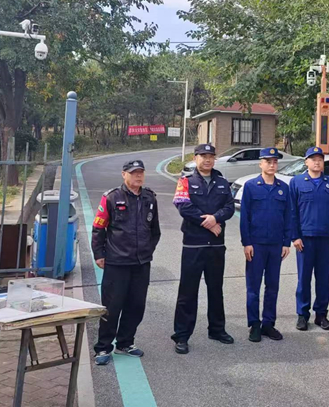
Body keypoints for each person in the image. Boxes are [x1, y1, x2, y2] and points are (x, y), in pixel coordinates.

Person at [91, 159, 160, 365]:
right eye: (133, 173)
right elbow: (98, 228)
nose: (138, 176)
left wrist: (147, 250)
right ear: (124, 175)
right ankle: (103, 347)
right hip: (117, 262)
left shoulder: (149, 198)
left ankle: (125, 342)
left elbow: (155, 231)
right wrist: (99, 254)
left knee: (136, 305)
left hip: (141, 263)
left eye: (141, 172)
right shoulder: (112, 198)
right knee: (112, 306)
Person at [171, 144, 235, 355]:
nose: (207, 160)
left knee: (216, 290)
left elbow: (229, 207)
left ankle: (217, 330)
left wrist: (216, 218)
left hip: (216, 245)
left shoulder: (223, 182)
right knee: (187, 292)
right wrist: (208, 223)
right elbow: (183, 206)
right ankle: (181, 336)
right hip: (194, 244)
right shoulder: (186, 181)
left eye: (211, 156)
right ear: (195, 158)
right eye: (203, 156)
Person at [239, 147, 293, 342]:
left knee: (273, 286)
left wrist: (286, 242)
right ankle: (254, 324)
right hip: (256, 245)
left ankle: (268, 323)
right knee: (253, 287)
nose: (272, 165)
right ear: (260, 164)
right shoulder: (251, 186)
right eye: (268, 161)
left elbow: (288, 216)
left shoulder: (283, 187)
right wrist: (247, 243)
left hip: (276, 245)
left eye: (275, 161)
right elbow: (244, 217)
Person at [289, 146, 329, 331]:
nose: (317, 162)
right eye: (313, 159)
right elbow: (292, 212)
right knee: (304, 279)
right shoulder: (296, 182)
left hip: (325, 238)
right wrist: (295, 236)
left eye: (320, 159)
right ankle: (302, 314)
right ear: (306, 162)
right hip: (305, 239)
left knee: (323, 279)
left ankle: (321, 315)